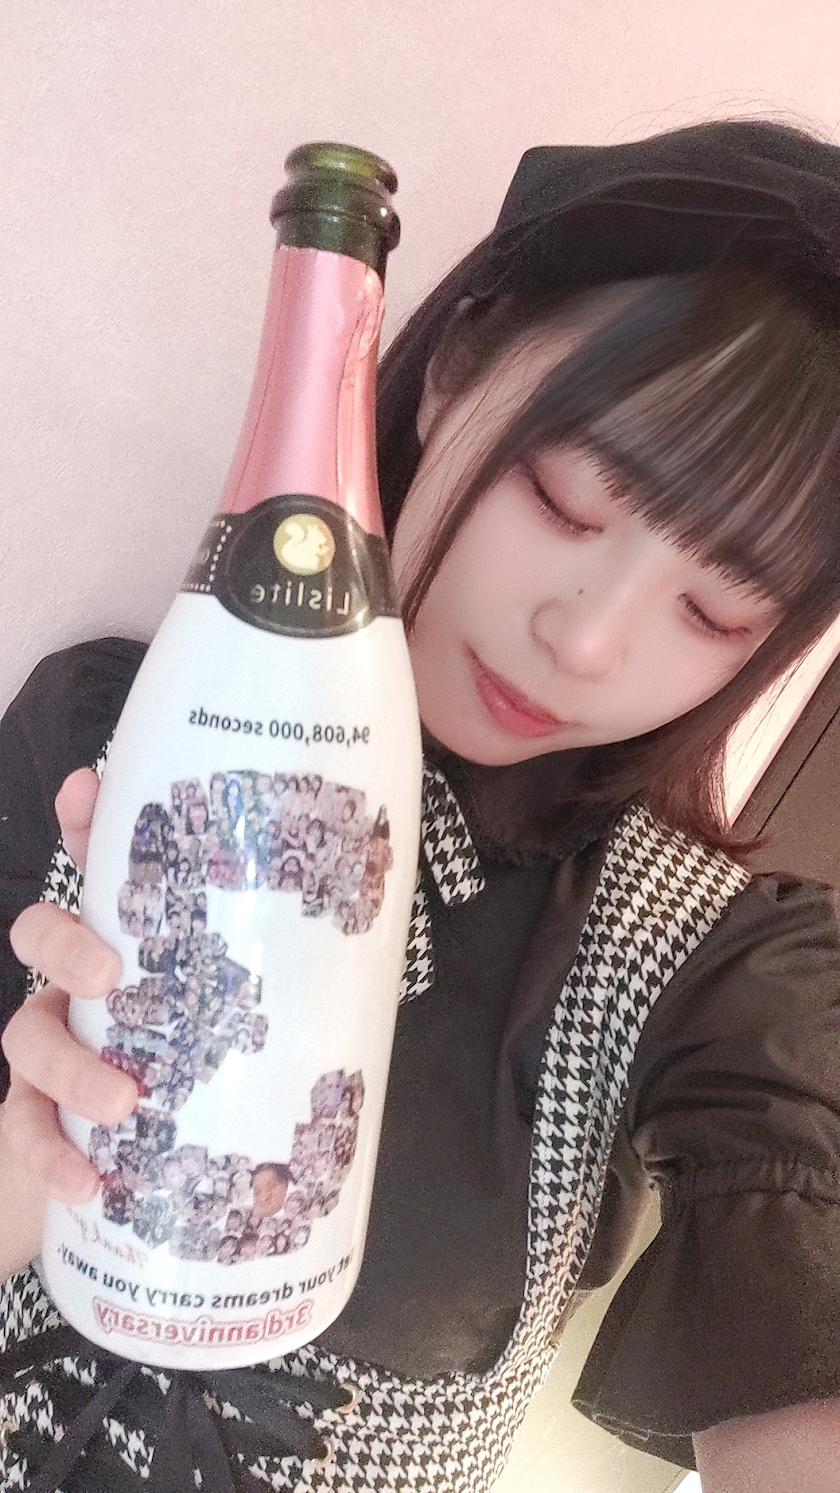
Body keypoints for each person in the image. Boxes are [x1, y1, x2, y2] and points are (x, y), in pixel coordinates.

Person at [2, 119, 840, 1492]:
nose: (585, 641)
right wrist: (38, 1157)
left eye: (713, 611)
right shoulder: (108, 741)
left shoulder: (711, 964)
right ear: (455, 369)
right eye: (564, 501)